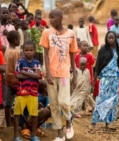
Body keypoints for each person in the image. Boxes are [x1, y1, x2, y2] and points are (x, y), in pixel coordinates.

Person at [39, 9, 78, 140]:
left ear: (60, 18)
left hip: (64, 74)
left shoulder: (71, 34)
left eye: (53, 18)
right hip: (51, 74)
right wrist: (48, 73)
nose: (50, 20)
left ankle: (68, 121)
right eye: (49, 18)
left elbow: (72, 54)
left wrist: (75, 74)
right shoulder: (46, 33)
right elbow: (45, 54)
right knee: (54, 104)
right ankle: (59, 133)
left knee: (64, 102)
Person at [90, 31, 119, 132]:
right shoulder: (102, 50)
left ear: (115, 39)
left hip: (115, 79)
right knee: (101, 100)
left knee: (113, 102)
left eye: (113, 38)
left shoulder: (118, 50)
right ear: (106, 39)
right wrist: (94, 79)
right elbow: (98, 65)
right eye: (109, 38)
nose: (111, 40)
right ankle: (93, 123)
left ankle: (108, 125)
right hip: (105, 78)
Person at [13, 40, 41, 141]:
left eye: (31, 50)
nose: (29, 52)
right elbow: (18, 75)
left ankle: (33, 135)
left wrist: (25, 73)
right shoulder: (20, 62)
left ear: (34, 51)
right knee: (17, 114)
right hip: (21, 92)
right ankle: (15, 136)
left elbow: (38, 76)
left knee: (34, 114)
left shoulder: (37, 62)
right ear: (23, 51)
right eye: (26, 50)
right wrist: (31, 75)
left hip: (33, 92)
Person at [4, 31, 21, 127]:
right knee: (20, 102)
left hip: (8, 79)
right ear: (15, 41)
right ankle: (18, 123)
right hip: (15, 80)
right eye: (19, 39)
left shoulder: (7, 50)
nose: (20, 41)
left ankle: (8, 124)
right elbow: (17, 69)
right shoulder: (15, 53)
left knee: (8, 103)